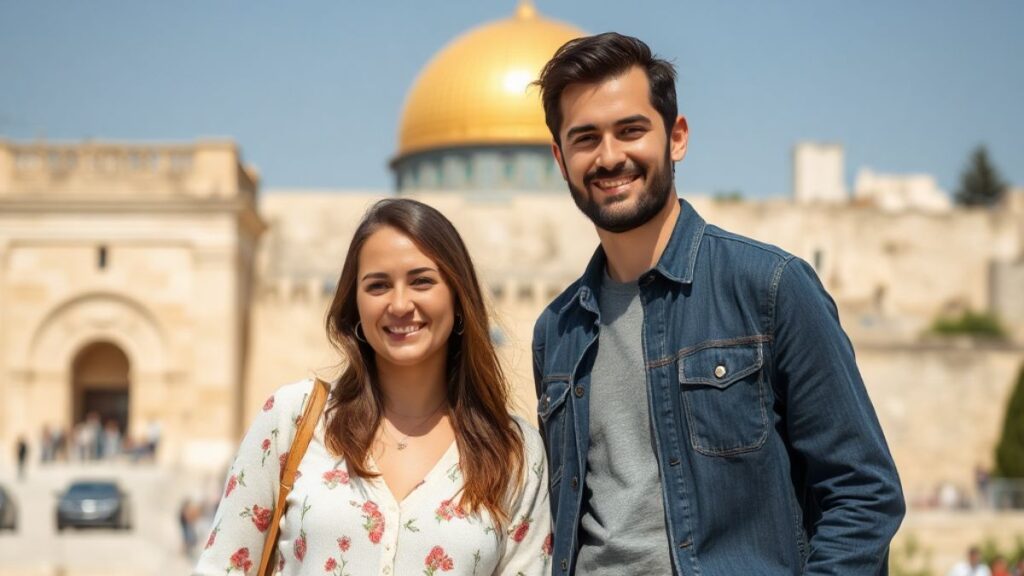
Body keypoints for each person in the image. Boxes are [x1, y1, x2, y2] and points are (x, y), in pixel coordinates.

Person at [531, 33, 905, 574]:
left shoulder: (771, 287)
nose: (610, 156)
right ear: (561, 159)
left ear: (676, 137)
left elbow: (863, 492)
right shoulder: (557, 330)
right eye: (585, 138)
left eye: (631, 130)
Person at [195, 199, 550, 575]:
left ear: (458, 298)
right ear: (356, 305)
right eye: (378, 285)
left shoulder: (514, 452)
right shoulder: (293, 419)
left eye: (422, 281)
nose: (399, 304)